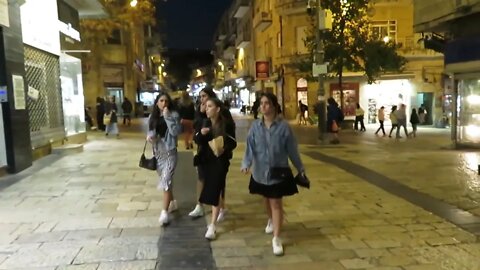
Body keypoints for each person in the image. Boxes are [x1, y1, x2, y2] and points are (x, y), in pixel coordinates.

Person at [241, 92, 305, 256]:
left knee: (276, 202)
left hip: (278, 171)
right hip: (260, 172)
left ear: (274, 106)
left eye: (267, 103)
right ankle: (271, 219)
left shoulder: (284, 127)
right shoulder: (255, 126)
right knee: (266, 200)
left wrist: (300, 168)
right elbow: (250, 146)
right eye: (261, 103)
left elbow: (292, 149)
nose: (263, 106)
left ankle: (276, 238)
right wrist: (246, 163)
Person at [195, 98, 236, 240]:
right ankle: (220, 209)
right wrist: (202, 134)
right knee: (212, 188)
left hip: (220, 161)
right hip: (207, 160)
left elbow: (233, 142)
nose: (206, 109)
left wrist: (223, 146)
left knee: (215, 188)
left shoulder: (226, 124)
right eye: (206, 106)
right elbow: (197, 140)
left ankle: (212, 226)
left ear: (218, 109)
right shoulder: (205, 122)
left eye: (210, 106)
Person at [190, 87, 234, 220]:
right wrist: (202, 114)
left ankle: (221, 207)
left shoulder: (221, 110)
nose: (201, 99)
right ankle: (200, 205)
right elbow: (196, 128)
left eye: (204, 96)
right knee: (202, 177)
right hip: (204, 151)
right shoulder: (201, 111)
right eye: (200, 96)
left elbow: (229, 132)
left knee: (219, 181)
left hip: (219, 153)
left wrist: (225, 148)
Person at [146, 92, 181, 226]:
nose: (164, 103)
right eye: (161, 101)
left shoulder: (174, 115)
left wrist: (167, 117)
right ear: (157, 103)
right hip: (158, 153)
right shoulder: (152, 117)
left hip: (170, 152)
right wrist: (149, 137)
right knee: (166, 181)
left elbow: (175, 132)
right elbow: (150, 131)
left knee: (166, 180)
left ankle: (164, 213)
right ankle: (172, 202)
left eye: (166, 101)